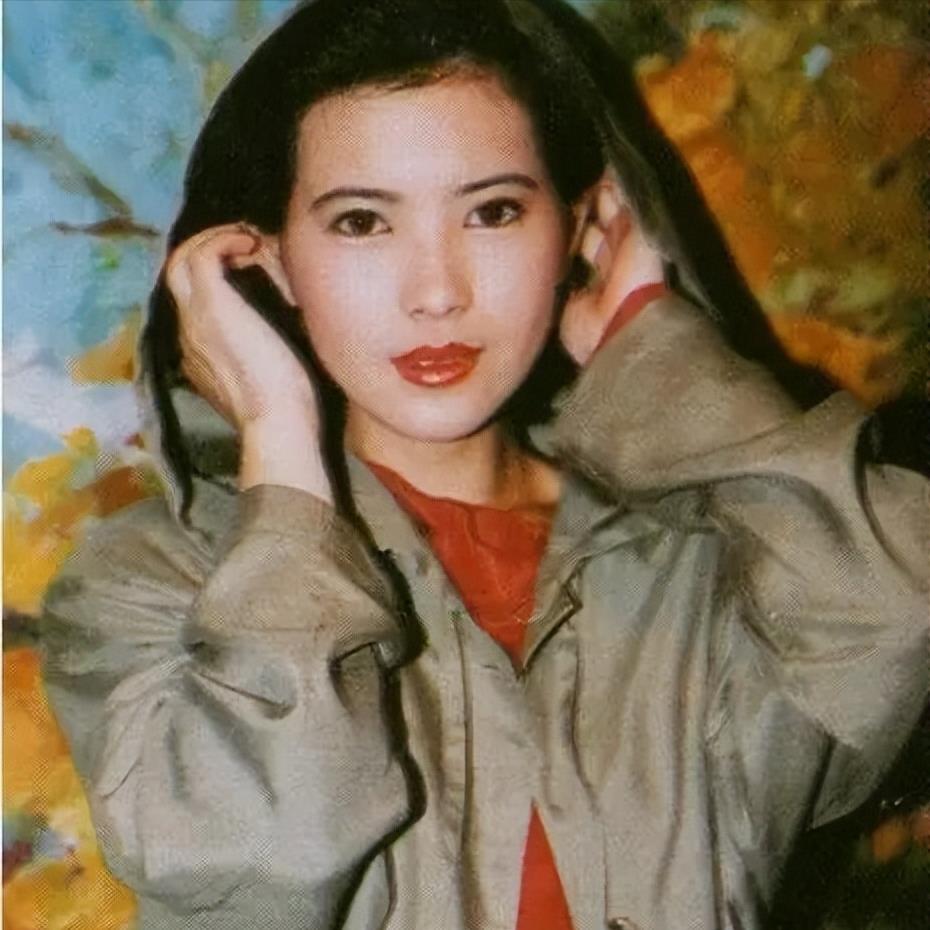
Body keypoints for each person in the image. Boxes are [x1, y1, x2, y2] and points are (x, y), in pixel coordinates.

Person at [39, 1, 928, 928]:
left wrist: (655, 352)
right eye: (361, 223)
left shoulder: (705, 560)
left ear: (580, 229)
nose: (437, 292)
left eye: (493, 212)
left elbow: (892, 624)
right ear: (271, 262)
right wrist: (277, 436)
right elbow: (252, 870)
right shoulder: (158, 583)